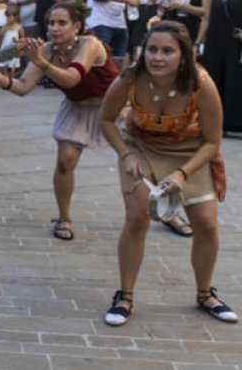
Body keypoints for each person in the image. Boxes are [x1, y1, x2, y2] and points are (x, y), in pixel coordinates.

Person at [98, 22, 235, 326]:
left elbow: (213, 141)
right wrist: (126, 154)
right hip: (140, 147)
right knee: (137, 218)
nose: (158, 57)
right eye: (152, 49)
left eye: (167, 51)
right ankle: (125, 295)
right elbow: (106, 119)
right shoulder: (130, 78)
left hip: (190, 152)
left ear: (183, 56)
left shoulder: (201, 83)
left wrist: (183, 174)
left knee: (207, 225)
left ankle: (205, 294)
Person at [0, 2, 119, 240]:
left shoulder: (90, 44)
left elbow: (72, 79)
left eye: (62, 23)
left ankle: (168, 210)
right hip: (77, 107)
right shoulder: (46, 51)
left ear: (76, 25)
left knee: (142, 160)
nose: (55, 28)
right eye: (51, 23)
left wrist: (41, 62)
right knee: (65, 161)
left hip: (113, 107)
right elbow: (23, 87)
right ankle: (64, 217)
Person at [202, 0, 242, 134]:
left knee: (235, 81)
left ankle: (234, 122)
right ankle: (215, 121)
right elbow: (206, 18)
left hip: (236, 43)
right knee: (214, 80)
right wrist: (197, 42)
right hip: (214, 41)